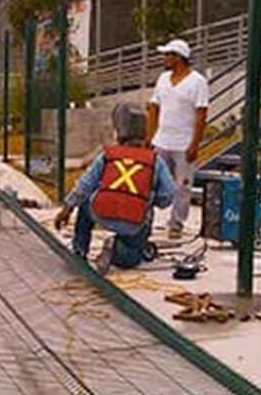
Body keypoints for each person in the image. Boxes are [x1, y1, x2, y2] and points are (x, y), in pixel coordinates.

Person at [54, 103, 176, 273]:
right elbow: (168, 195)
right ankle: (118, 250)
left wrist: (67, 208)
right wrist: (149, 198)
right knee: (131, 257)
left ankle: (80, 250)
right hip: (134, 220)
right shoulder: (155, 161)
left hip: (101, 212)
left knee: (86, 203)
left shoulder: (108, 154)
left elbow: (85, 184)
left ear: (119, 133)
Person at [146, 38, 209, 239]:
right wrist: (150, 135)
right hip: (162, 141)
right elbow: (154, 108)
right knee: (151, 182)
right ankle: (145, 218)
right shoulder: (163, 79)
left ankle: (176, 223)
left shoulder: (197, 82)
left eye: (168, 55)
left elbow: (201, 116)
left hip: (183, 143)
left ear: (179, 57)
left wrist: (194, 144)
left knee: (183, 185)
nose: (165, 59)